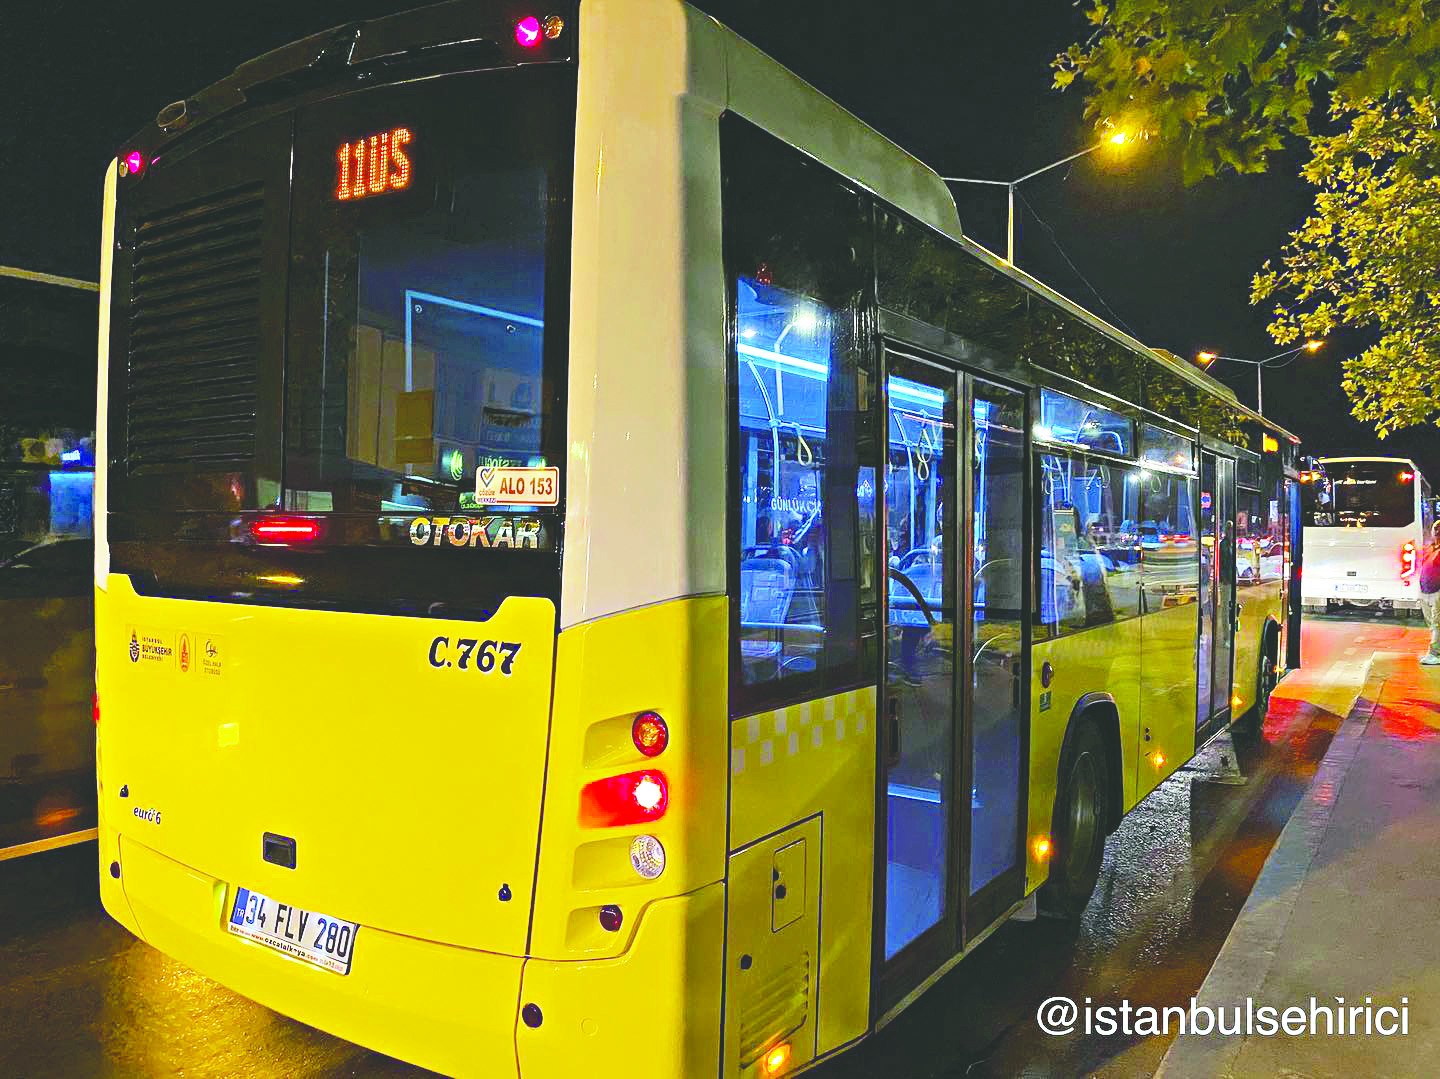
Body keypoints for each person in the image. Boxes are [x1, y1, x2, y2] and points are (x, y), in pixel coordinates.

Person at [1420, 520, 1440, 666]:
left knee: (1438, 623)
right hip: (1427, 591)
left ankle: (1435, 654)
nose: (1437, 531)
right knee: (1432, 624)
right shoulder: (1431, 548)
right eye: (1436, 528)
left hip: (1437, 591)